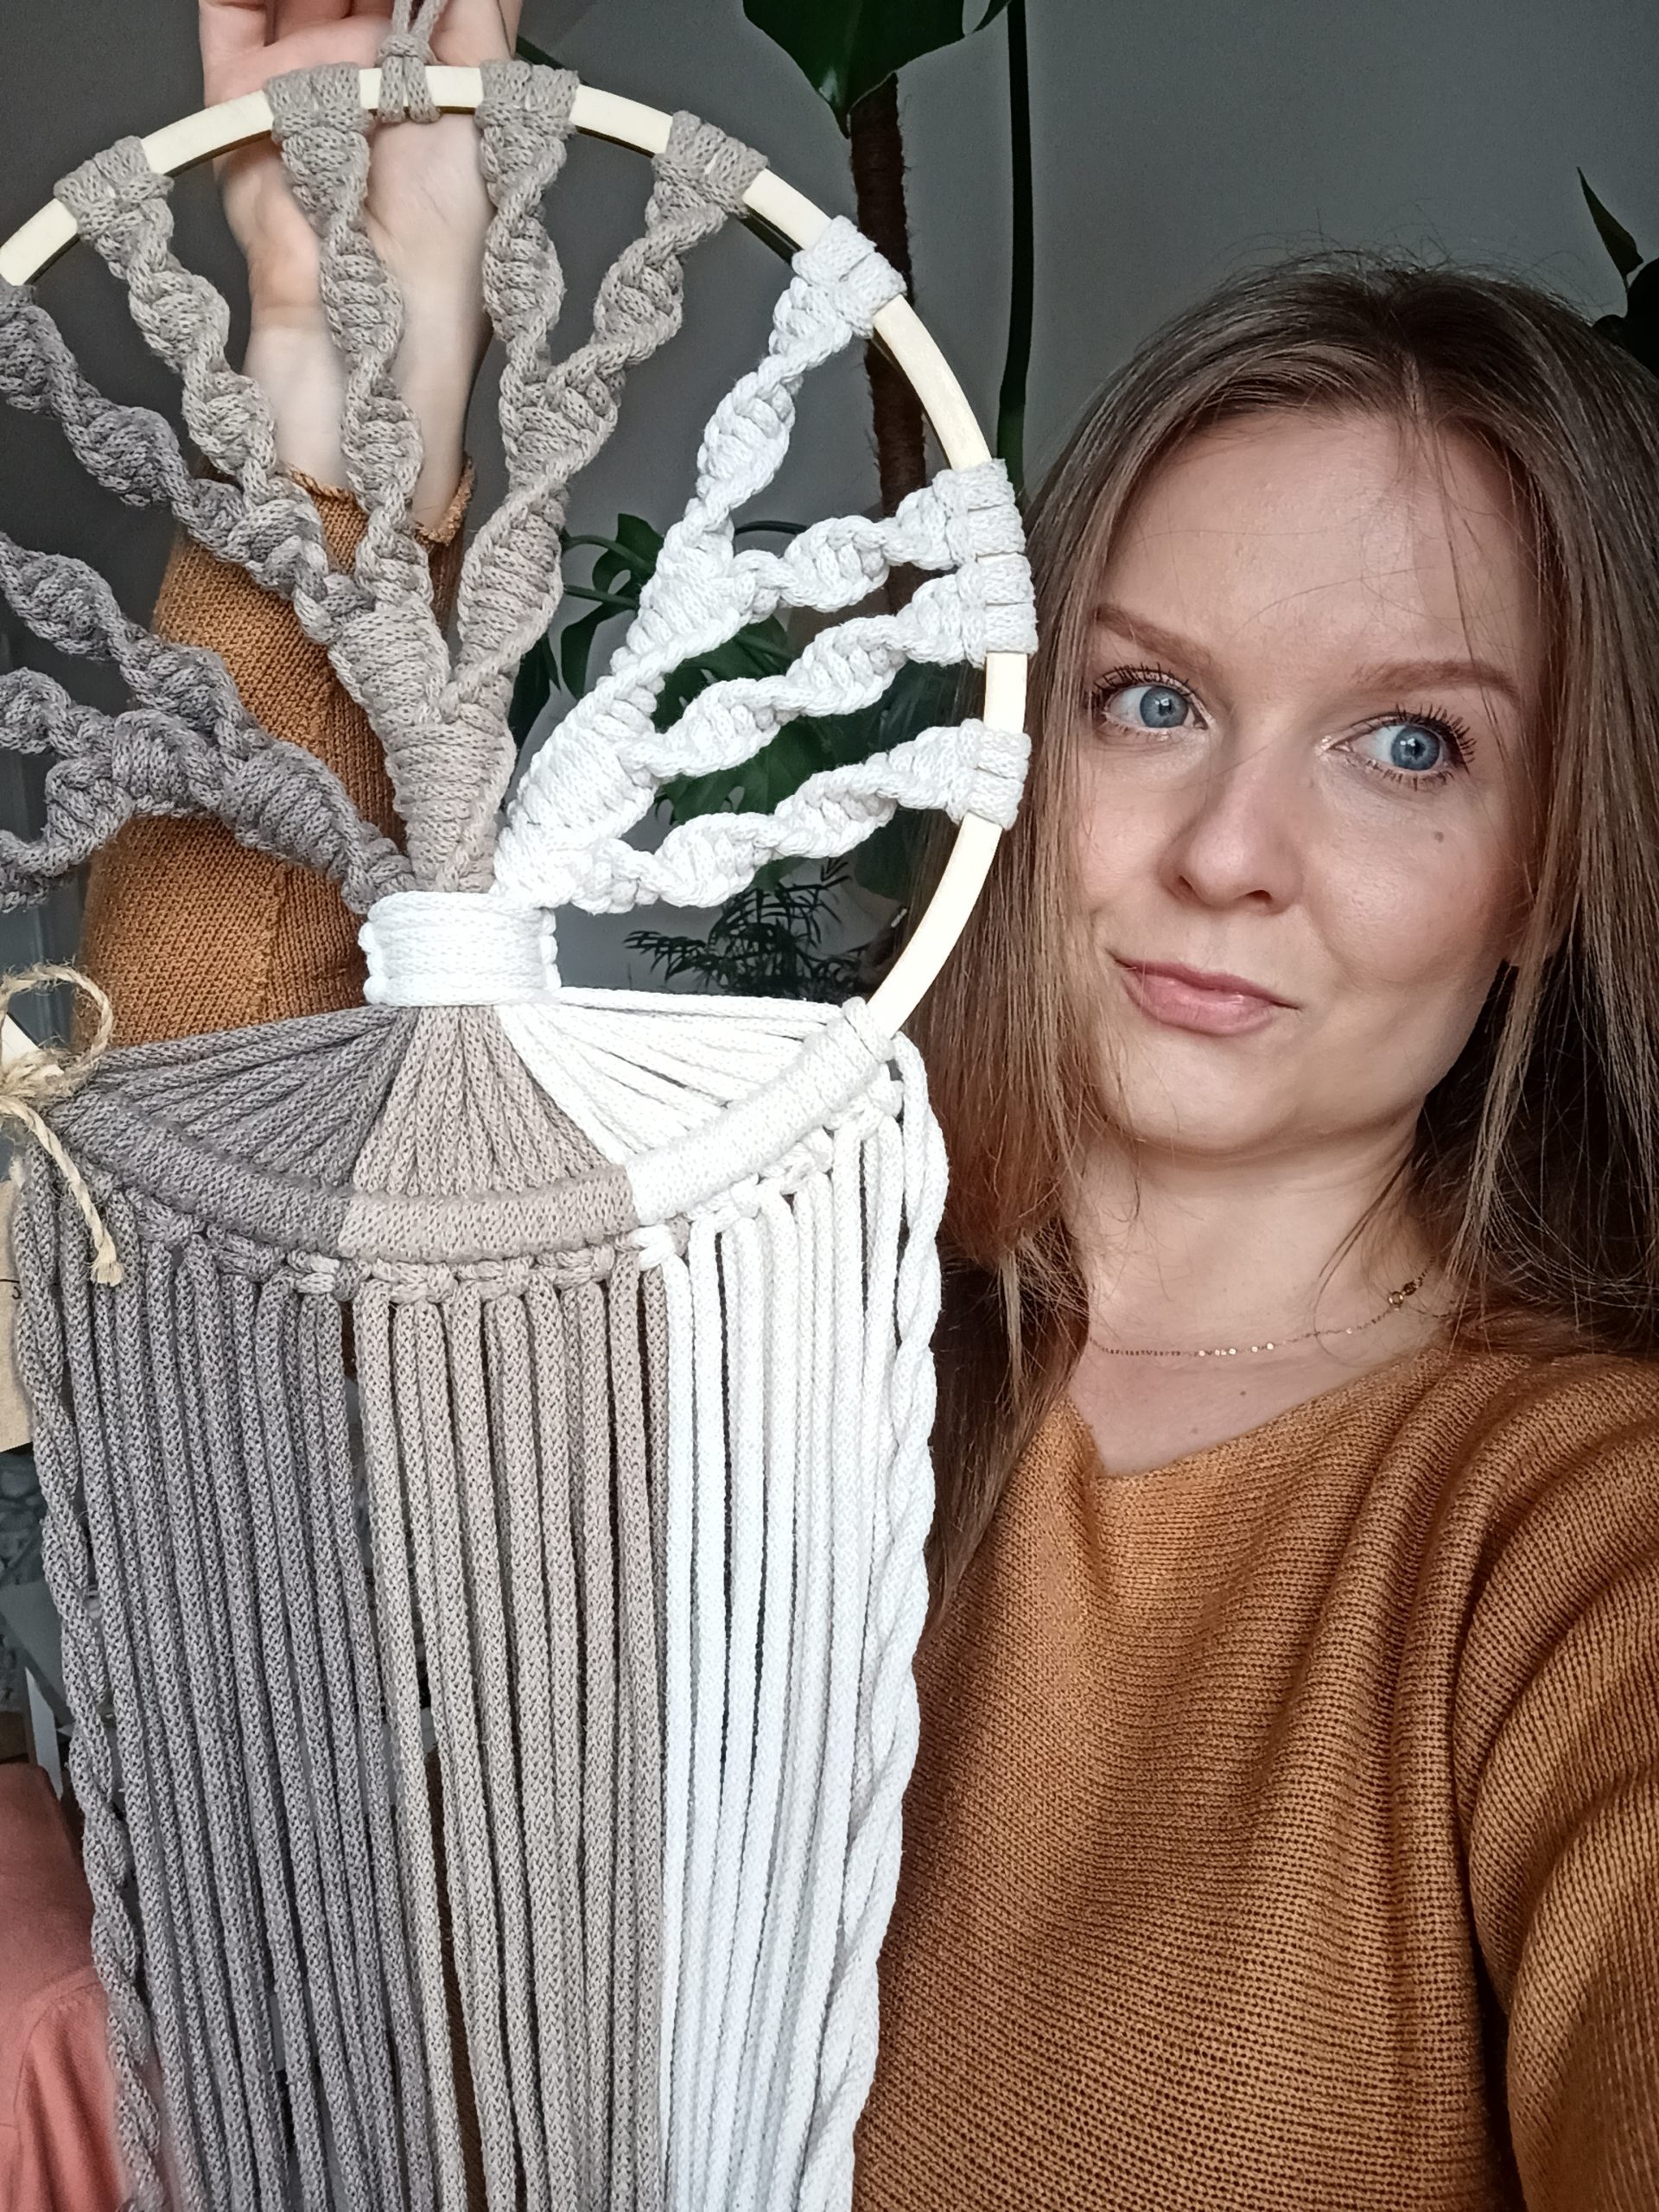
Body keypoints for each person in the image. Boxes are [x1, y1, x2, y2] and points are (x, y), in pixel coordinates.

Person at [22, 1, 1659, 2207]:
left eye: (1410, 745)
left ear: (1549, 864)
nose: (1229, 851)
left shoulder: (1569, 1542)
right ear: (1014, 742)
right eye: (1151, 700)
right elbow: (211, 1170)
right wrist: (341, 361)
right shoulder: (734, 1326)